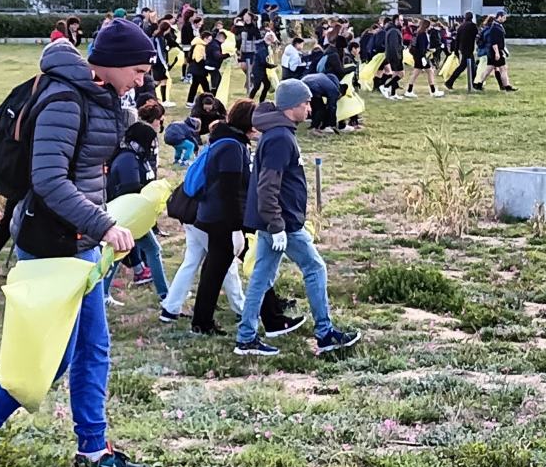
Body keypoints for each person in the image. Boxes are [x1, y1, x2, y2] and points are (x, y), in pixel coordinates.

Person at [0, 20, 155, 467]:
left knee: (94, 349)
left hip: (81, 243)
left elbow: (88, 171)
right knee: (50, 358)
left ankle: (93, 450)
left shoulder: (102, 95)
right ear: (112, 64)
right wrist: (104, 223)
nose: (142, 80)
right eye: (137, 70)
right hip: (52, 244)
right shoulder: (64, 98)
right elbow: (50, 181)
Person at [235, 80, 362, 357]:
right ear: (292, 105)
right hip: (283, 222)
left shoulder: (277, 132)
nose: (310, 107)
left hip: (276, 220)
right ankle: (325, 334)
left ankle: (245, 337)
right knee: (315, 268)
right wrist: (278, 225)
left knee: (261, 278)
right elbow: (268, 186)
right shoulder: (280, 137)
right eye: (306, 102)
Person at [191, 98, 305, 337]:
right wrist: (236, 229)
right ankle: (272, 319)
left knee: (219, 269)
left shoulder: (228, 141)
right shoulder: (233, 147)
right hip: (224, 219)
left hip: (214, 216)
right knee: (251, 265)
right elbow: (229, 192)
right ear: (248, 122)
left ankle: (203, 322)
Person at [103, 121, 169, 301]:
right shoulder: (127, 160)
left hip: (135, 214)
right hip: (127, 215)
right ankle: (165, 295)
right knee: (120, 253)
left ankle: (165, 294)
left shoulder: (137, 158)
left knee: (147, 250)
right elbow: (130, 188)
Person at [474, 10, 518, 93]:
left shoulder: (497, 26)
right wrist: (497, 53)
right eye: (504, 17)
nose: (505, 19)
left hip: (493, 52)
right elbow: (494, 42)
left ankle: (479, 84)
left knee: (489, 69)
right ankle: (507, 86)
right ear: (500, 17)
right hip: (495, 51)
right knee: (503, 68)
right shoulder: (495, 27)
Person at [404, 19, 445, 98]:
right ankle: (433, 91)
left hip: (417, 56)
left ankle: (409, 90)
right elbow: (422, 47)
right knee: (430, 72)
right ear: (426, 26)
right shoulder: (423, 34)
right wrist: (424, 56)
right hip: (421, 57)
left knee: (417, 73)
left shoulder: (417, 33)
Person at [445, 12, 478, 91]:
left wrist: (456, 50)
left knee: (470, 67)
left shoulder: (461, 27)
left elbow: (457, 39)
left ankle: (472, 84)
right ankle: (450, 82)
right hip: (469, 49)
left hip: (462, 49)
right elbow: (476, 35)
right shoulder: (472, 26)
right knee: (466, 67)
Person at [380, 14, 405, 100]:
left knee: (395, 74)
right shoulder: (394, 31)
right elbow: (393, 46)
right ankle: (385, 86)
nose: (402, 22)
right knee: (401, 74)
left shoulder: (392, 30)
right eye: (401, 20)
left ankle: (393, 93)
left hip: (393, 55)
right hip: (395, 56)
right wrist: (397, 56)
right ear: (396, 21)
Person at [151, 20, 175, 107]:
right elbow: (160, 53)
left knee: (164, 80)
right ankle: (148, 95)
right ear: (167, 29)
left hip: (158, 62)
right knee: (157, 82)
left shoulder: (161, 37)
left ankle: (164, 101)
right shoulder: (159, 38)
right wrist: (164, 64)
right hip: (158, 63)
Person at [186, 30, 211, 107]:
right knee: (205, 86)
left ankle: (189, 102)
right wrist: (206, 63)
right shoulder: (200, 46)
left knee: (195, 85)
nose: (210, 41)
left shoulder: (199, 45)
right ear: (205, 38)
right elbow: (198, 59)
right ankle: (210, 101)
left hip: (196, 69)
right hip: (198, 69)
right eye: (209, 39)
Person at [249, 32, 277, 102]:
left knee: (266, 84)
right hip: (258, 70)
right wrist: (271, 66)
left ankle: (260, 101)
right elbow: (262, 61)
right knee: (256, 86)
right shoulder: (262, 48)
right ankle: (249, 100)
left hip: (260, 69)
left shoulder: (262, 45)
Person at [204, 29, 227, 96]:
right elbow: (217, 56)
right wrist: (226, 55)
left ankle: (212, 94)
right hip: (212, 66)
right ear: (221, 38)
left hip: (209, 64)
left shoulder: (213, 43)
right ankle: (212, 95)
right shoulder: (215, 45)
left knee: (217, 79)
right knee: (215, 82)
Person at [179, 8, 196, 83]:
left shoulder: (185, 24)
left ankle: (184, 75)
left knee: (186, 61)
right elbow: (190, 37)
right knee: (189, 61)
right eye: (194, 15)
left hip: (185, 45)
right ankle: (188, 76)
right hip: (188, 46)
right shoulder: (188, 25)